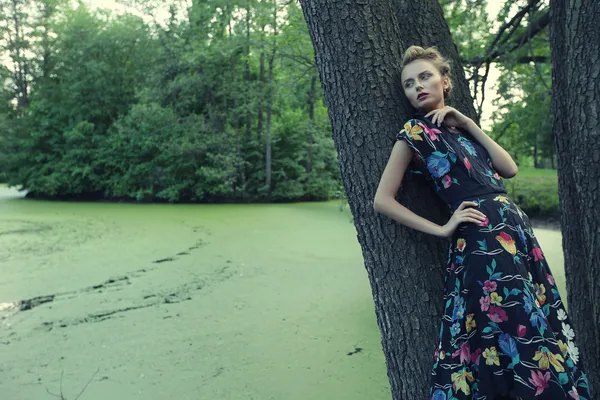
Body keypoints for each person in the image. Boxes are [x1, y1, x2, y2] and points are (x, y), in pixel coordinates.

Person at [373, 45, 591, 400]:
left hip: (515, 233)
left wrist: (470, 124)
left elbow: (509, 169)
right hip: (481, 240)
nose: (417, 87)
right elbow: (382, 200)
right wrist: (443, 228)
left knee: (534, 316)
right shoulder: (413, 133)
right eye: (409, 84)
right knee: (510, 324)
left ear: (446, 81)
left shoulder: (461, 130)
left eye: (425, 77)